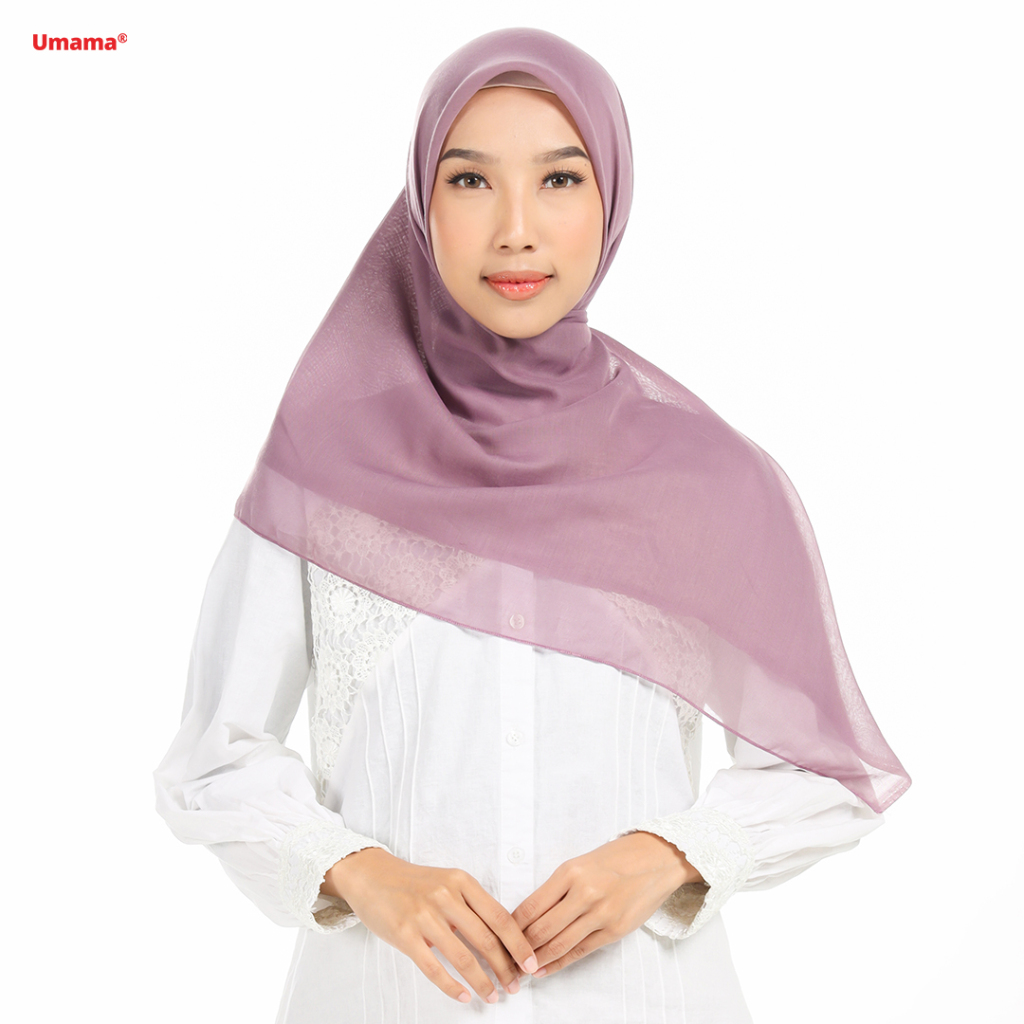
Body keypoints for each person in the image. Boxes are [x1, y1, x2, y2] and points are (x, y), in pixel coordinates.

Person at [155, 27, 909, 1023]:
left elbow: (824, 767)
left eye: (559, 180)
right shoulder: (323, 466)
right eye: (470, 181)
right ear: (420, 205)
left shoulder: (710, 481)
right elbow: (213, 757)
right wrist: (361, 872)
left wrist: (671, 854)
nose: (516, 230)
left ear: (612, 200)